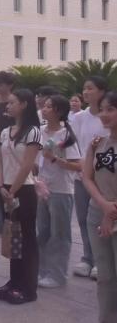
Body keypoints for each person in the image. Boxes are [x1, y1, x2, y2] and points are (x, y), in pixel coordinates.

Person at [0, 89, 42, 305]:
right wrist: (0, 186)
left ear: (24, 104)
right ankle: (14, 281)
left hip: (23, 189)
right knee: (13, 236)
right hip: (5, 188)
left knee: (27, 238)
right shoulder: (5, 131)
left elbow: (27, 165)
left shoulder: (33, 132)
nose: (8, 105)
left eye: (12, 102)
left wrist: (12, 190)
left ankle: (28, 287)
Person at [37, 95, 82, 288]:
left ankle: (57, 275)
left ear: (59, 111)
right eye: (44, 106)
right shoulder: (40, 131)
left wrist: (54, 158)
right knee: (42, 232)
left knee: (60, 234)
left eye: (49, 107)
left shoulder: (66, 135)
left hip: (61, 190)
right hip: (42, 188)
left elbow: (77, 166)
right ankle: (42, 271)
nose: (44, 109)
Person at [82, 91, 117, 323]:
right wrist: (103, 205)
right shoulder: (97, 144)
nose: (104, 114)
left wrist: (110, 212)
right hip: (97, 214)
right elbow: (87, 177)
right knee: (104, 276)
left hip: (113, 214)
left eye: (110, 109)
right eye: (102, 109)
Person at [72, 76, 110, 279]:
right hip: (82, 175)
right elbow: (75, 144)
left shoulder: (108, 117)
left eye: (90, 88)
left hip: (103, 177)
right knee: (83, 218)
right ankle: (87, 257)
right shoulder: (79, 117)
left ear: (102, 91)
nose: (86, 92)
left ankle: (100, 260)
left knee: (102, 218)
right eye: (84, 88)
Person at [0, 71, 16, 233]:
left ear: (10, 85)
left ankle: (11, 219)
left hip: (11, 150)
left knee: (10, 185)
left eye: (1, 84)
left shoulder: (14, 103)